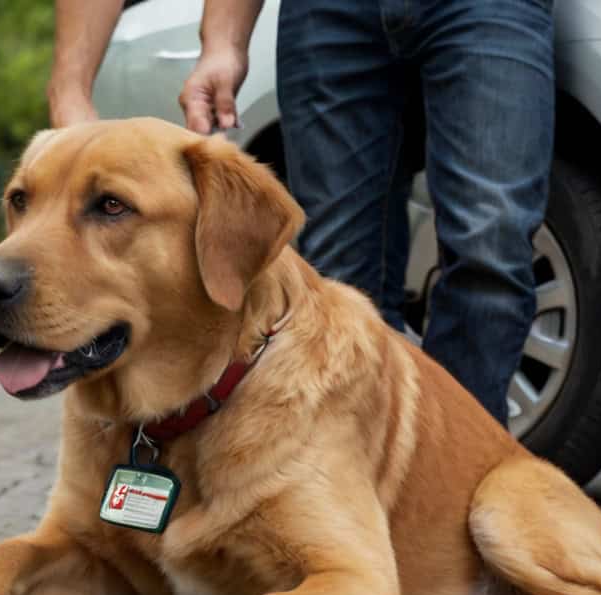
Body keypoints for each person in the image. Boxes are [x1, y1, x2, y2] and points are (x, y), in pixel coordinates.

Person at [47, 0, 554, 426]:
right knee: (339, 272)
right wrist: (224, 43)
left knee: (492, 239)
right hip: (327, 14)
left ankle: (455, 480)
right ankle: (345, 484)